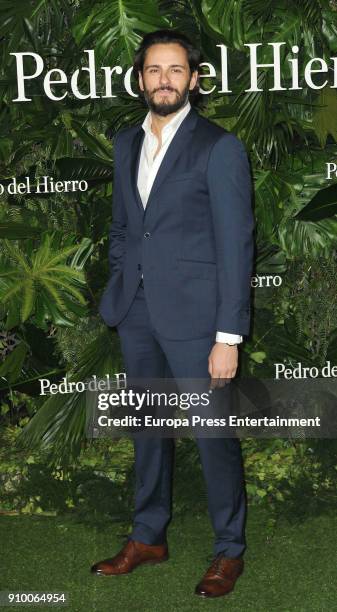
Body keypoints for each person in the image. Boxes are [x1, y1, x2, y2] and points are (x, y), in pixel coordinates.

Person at [93, 29, 255, 599]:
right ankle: (149, 536)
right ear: (140, 79)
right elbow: (122, 226)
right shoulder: (124, 144)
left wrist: (228, 335)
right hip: (136, 312)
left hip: (199, 322)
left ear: (193, 79)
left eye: (176, 70)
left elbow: (236, 245)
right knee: (148, 433)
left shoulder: (219, 146)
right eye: (154, 70)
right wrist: (121, 277)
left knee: (213, 436)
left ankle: (228, 550)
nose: (164, 79)